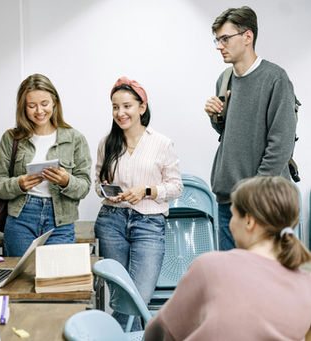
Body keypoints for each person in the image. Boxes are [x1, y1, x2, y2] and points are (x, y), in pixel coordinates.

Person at [144, 176, 311, 341]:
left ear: (249, 221)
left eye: (233, 216)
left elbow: (160, 331)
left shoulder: (210, 266)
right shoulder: (306, 283)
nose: (230, 224)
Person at [204, 6, 297, 250]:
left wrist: (253, 193)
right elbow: (231, 134)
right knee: (231, 281)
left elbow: (281, 143)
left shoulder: (275, 78)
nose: (219, 45)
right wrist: (216, 117)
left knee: (266, 282)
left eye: (225, 38)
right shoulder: (224, 79)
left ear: (248, 37)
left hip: (264, 202)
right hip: (228, 201)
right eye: (217, 39)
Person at [94, 76, 183, 331]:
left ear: (142, 107)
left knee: (137, 298)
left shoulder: (162, 143)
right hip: (111, 222)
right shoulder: (107, 143)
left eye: (127, 106)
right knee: (121, 297)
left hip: (149, 224)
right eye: (115, 107)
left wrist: (146, 190)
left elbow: (176, 187)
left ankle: (111, 335)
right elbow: (97, 185)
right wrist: (107, 191)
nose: (120, 113)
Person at [0, 73, 92, 257]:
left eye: (44, 103)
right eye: (31, 105)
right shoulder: (11, 138)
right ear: (23, 107)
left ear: (54, 102)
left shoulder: (75, 138)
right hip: (21, 218)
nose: (39, 111)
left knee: (56, 280)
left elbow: (84, 187)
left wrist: (66, 181)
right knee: (20, 281)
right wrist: (19, 184)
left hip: (60, 220)